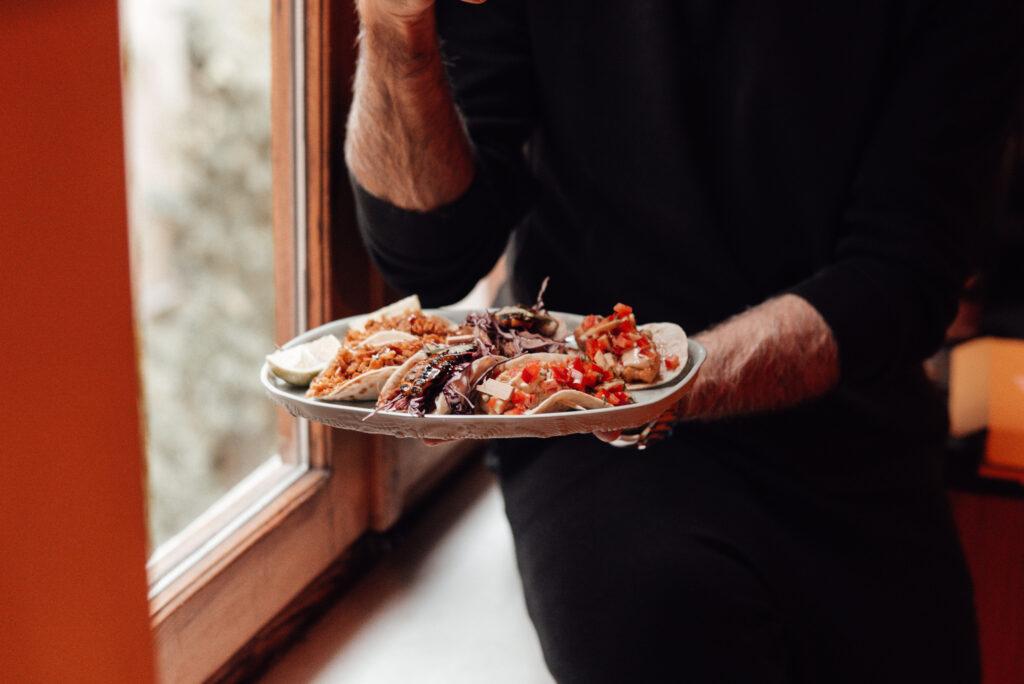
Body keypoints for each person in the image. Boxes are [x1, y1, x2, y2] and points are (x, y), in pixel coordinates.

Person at [345, 1, 1024, 682]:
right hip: (597, 445)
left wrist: (648, 379)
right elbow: (429, 251)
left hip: (851, 430)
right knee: (656, 622)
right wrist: (396, 27)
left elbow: (901, 273)